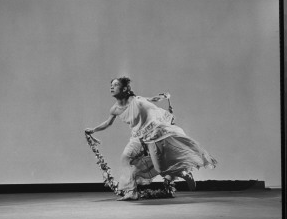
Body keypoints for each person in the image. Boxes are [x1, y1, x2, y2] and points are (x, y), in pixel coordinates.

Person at [85, 76, 217, 201]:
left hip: (153, 134)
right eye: (111, 85)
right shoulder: (114, 109)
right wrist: (94, 129)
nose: (111, 87)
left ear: (125, 89)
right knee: (125, 158)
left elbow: (151, 99)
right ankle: (131, 192)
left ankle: (184, 173)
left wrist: (162, 97)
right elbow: (108, 123)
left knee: (160, 169)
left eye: (115, 85)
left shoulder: (136, 100)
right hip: (137, 136)